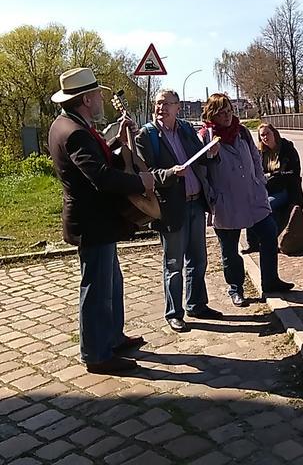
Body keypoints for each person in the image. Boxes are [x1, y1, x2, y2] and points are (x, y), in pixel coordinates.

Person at [48, 67, 154, 373]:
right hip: (92, 222)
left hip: (99, 220)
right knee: (96, 289)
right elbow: (101, 177)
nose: (100, 100)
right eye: (96, 95)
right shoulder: (75, 132)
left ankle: (112, 337)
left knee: (111, 282)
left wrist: (116, 141)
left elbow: (94, 160)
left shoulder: (69, 123)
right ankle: (96, 355)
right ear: (85, 99)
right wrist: (140, 181)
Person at [136, 89, 223, 333]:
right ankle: (174, 313)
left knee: (198, 259)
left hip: (196, 203)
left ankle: (197, 304)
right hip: (171, 208)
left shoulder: (185, 129)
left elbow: (199, 159)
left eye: (167, 104)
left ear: (177, 107)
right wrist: (171, 173)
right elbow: (145, 174)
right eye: (158, 103)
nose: (161, 108)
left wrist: (211, 154)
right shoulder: (146, 136)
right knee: (174, 264)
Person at [199, 94, 294, 304]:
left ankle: (270, 281)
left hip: (253, 197)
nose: (227, 116)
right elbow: (202, 172)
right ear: (212, 114)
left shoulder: (241, 131)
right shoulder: (206, 136)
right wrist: (212, 198)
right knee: (230, 249)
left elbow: (255, 158)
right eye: (221, 113)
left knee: (269, 234)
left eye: (229, 111)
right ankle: (236, 289)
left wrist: (259, 183)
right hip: (225, 202)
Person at [241, 122, 303, 254]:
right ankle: (253, 243)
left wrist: (273, 176)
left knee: (267, 206)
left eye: (267, 134)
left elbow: (292, 173)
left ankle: (270, 242)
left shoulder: (287, 149)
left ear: (274, 133)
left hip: (286, 189)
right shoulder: (261, 153)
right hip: (267, 189)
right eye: (262, 135)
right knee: (251, 206)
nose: (265, 137)